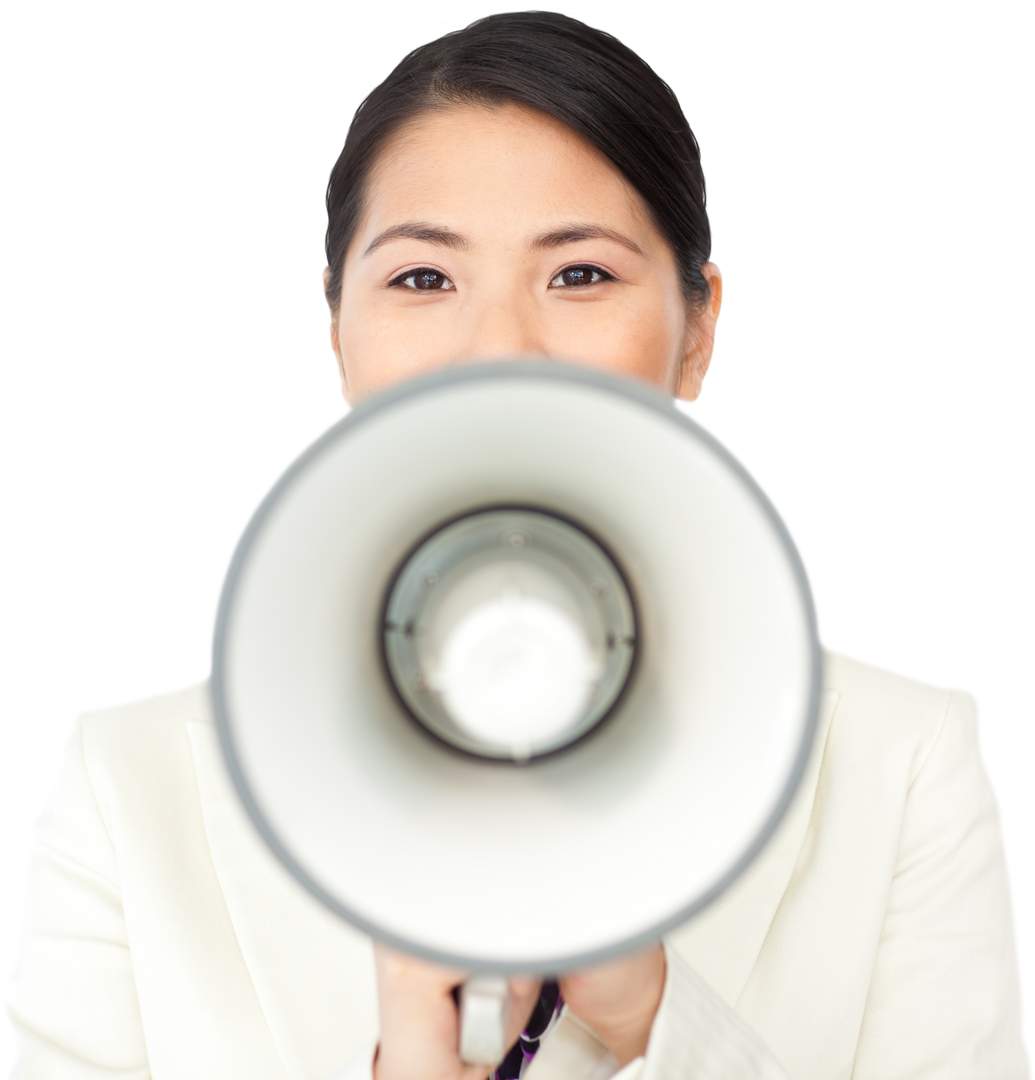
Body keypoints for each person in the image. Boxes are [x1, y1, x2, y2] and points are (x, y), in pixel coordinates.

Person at [1, 9, 1030, 1079]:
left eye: (580, 274)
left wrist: (661, 1022)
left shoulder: (906, 759)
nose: (499, 348)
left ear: (700, 328)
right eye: (422, 280)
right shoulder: (127, 787)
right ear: (335, 330)